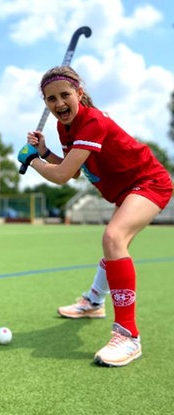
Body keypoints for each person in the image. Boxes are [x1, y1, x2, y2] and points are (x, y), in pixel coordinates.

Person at [17, 65, 173, 367]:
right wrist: (46, 152)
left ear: (80, 92)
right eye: (51, 99)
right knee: (113, 245)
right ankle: (93, 303)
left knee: (114, 237)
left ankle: (128, 335)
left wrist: (33, 160)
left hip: (149, 182)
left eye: (65, 95)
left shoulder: (92, 122)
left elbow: (61, 177)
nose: (59, 104)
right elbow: (74, 170)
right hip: (125, 189)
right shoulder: (66, 128)